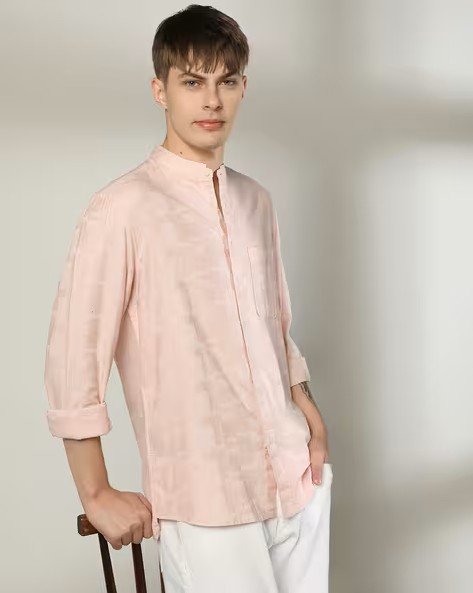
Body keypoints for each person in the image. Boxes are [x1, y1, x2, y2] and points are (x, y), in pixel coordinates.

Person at [43, 4, 332, 592]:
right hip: (204, 500)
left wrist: (309, 414)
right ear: (161, 90)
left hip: (296, 479)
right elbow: (75, 357)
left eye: (227, 82)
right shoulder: (121, 208)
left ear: (244, 88)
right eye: (193, 83)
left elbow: (275, 325)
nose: (212, 101)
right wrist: (95, 492)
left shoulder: (256, 201)